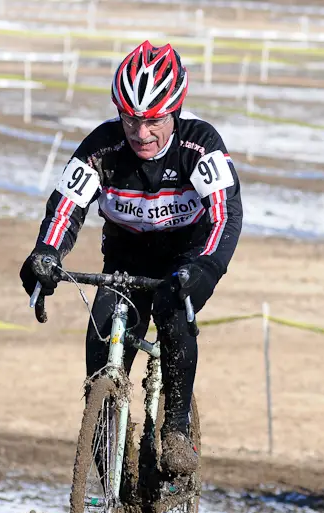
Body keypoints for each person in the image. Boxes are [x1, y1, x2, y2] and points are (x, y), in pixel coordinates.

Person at [20, 41, 242, 476]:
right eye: (131, 119)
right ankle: (105, 445)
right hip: (125, 256)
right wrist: (45, 254)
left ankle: (176, 429)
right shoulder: (101, 147)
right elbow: (66, 206)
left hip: (187, 256)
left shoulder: (200, 146)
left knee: (173, 311)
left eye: (154, 120)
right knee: (103, 329)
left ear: (175, 110)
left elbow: (225, 214)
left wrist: (206, 268)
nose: (141, 133)